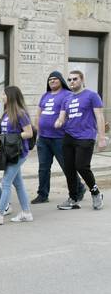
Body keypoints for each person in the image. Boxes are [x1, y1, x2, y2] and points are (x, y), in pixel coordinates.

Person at [54, 70, 107, 210]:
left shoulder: (92, 95)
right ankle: (73, 198)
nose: (72, 82)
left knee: (82, 166)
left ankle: (95, 193)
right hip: (69, 136)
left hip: (86, 136)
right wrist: (59, 122)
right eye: (70, 79)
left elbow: (100, 116)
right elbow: (62, 116)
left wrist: (101, 137)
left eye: (75, 79)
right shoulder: (67, 98)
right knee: (69, 168)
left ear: (82, 80)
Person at [32, 71, 85, 204]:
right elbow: (38, 114)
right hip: (43, 138)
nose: (52, 81)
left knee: (67, 166)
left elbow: (72, 113)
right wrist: (37, 129)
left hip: (60, 138)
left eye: (55, 79)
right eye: (50, 79)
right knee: (43, 168)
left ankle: (79, 189)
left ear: (61, 80)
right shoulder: (45, 95)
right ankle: (42, 194)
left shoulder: (68, 95)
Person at [0, 86, 33, 225]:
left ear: (11, 96)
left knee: (5, 183)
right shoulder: (6, 113)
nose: (2, 97)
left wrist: (13, 137)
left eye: (4, 95)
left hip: (18, 153)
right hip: (8, 152)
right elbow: (4, 135)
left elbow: (29, 133)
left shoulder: (21, 113)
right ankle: (26, 212)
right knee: (18, 183)